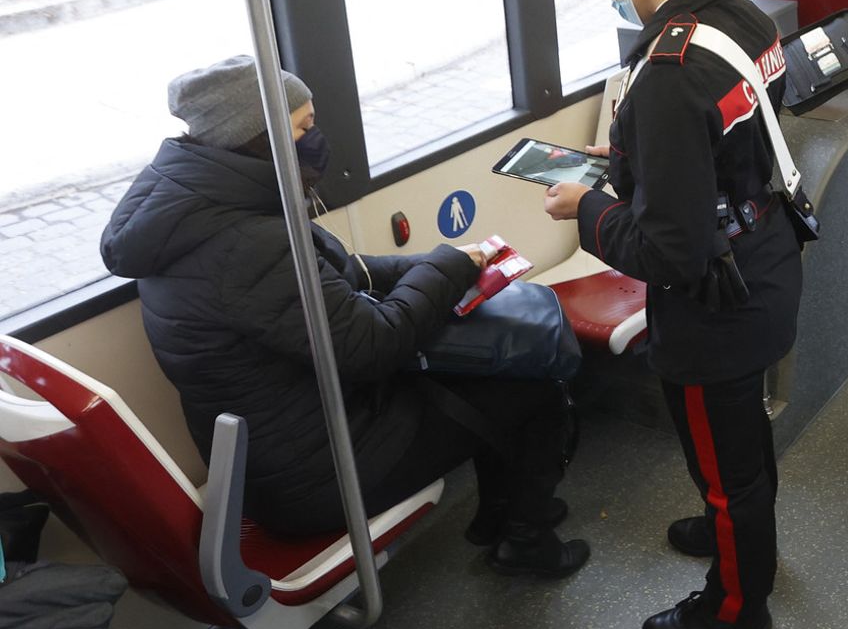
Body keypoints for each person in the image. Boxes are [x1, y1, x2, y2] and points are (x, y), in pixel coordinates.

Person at [100, 56, 588, 579]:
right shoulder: (249, 243)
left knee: (487, 380)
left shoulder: (195, 208)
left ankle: (506, 512)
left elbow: (341, 275)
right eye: (304, 127)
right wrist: (444, 267)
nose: (316, 138)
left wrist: (449, 263)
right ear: (259, 135)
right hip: (319, 474)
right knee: (532, 390)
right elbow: (371, 347)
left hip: (282, 446)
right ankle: (526, 539)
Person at [542, 0, 803, 629]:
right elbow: (730, 143)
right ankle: (745, 536)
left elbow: (666, 251)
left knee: (720, 463)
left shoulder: (666, 71)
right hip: (766, 258)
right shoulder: (740, 18)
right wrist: (631, 160)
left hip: (711, 303)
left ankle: (733, 608)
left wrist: (588, 205)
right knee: (744, 439)